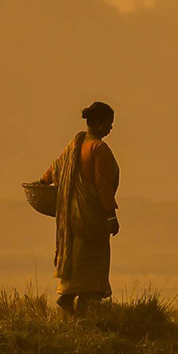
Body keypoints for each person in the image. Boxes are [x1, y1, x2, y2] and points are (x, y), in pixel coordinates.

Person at [37, 101, 121, 315]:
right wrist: (111, 217)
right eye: (110, 123)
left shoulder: (76, 144)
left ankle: (69, 300)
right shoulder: (98, 148)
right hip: (92, 217)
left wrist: (43, 181)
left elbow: (53, 169)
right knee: (92, 264)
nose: (111, 128)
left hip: (73, 216)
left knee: (77, 259)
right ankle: (81, 308)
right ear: (100, 124)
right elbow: (103, 186)